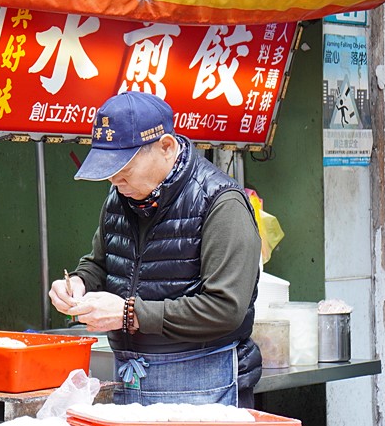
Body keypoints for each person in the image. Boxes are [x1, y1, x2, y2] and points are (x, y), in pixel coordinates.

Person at [49, 91, 262, 408]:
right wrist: (77, 283)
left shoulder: (221, 202)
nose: (115, 178)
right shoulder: (120, 197)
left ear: (167, 147)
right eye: (109, 168)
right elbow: (100, 263)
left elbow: (225, 309)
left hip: (203, 384)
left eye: (125, 166)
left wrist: (129, 315)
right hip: (130, 379)